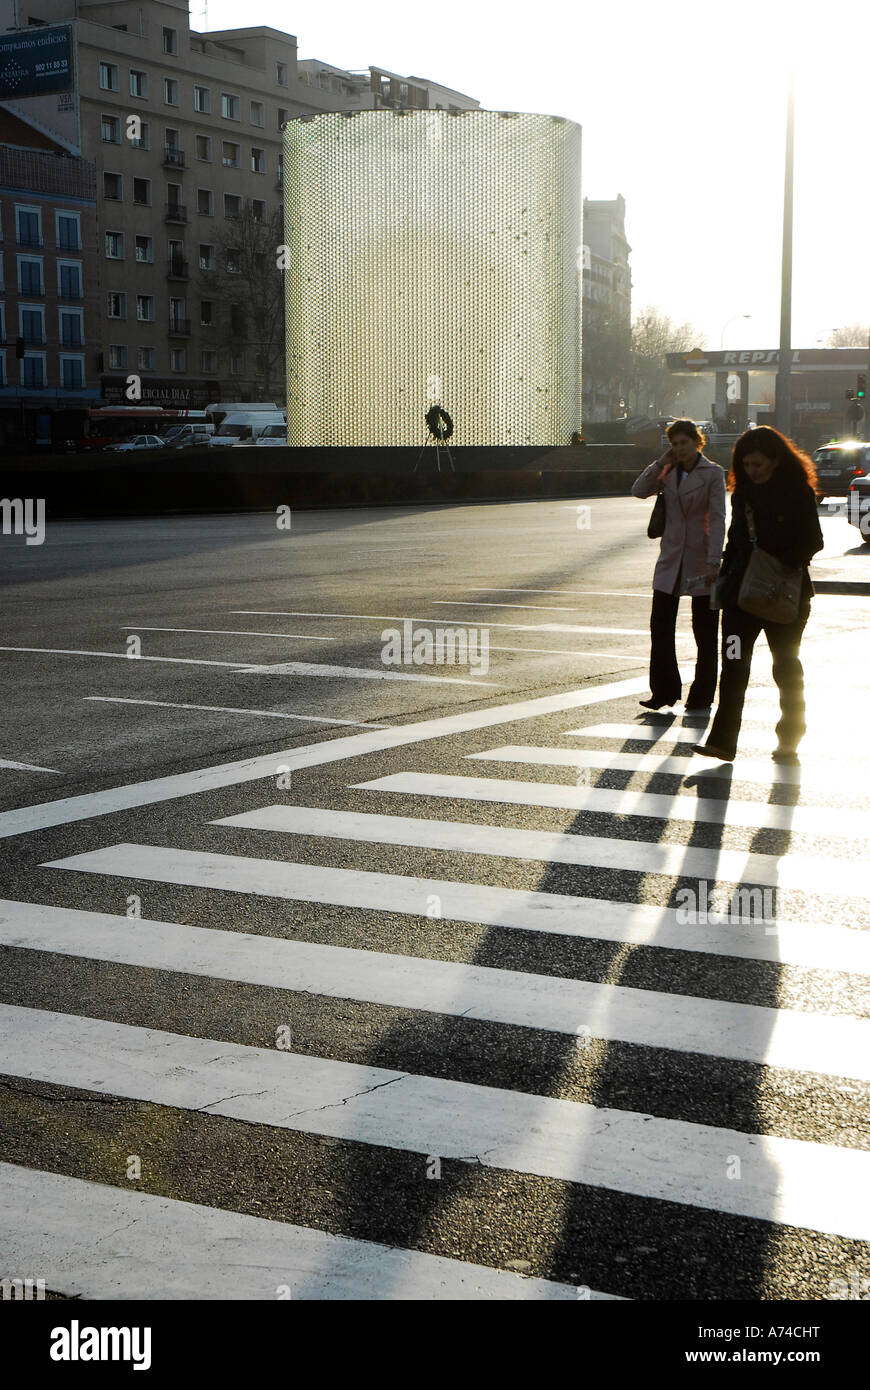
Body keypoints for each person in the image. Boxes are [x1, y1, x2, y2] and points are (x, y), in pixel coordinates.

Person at [694, 425, 823, 764]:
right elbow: (735, 543)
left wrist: (775, 562)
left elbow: (813, 541)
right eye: (746, 465)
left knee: (785, 665)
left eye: (758, 464)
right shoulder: (743, 494)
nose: (752, 471)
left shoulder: (797, 492)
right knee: (734, 664)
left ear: (776, 460)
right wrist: (723, 583)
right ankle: (722, 742)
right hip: (741, 598)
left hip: (785, 597)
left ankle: (790, 736)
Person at [631, 419, 726, 711]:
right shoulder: (667, 470)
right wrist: (662, 461)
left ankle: (702, 694)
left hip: (700, 558)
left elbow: (719, 517)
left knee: (705, 631)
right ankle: (663, 691)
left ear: (697, 441)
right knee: (660, 626)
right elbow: (638, 490)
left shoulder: (713, 473)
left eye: (684, 442)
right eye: (674, 444)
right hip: (670, 557)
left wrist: (714, 559)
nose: (679, 448)